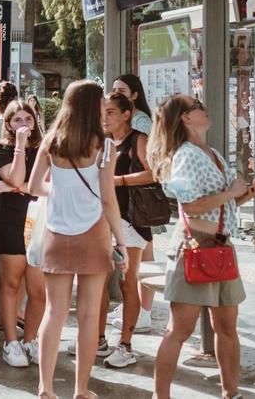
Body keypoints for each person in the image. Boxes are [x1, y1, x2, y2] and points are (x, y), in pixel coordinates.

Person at [148, 94, 255, 399]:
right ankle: (160, 396)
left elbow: (224, 200)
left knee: (227, 326)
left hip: (220, 247)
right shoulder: (186, 155)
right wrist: (230, 194)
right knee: (180, 329)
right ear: (186, 118)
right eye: (198, 105)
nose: (204, 107)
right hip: (195, 247)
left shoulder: (211, 151)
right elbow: (191, 206)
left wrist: (244, 194)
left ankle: (231, 392)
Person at [27, 80, 128, 399]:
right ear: (91, 106)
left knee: (54, 313)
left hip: (56, 234)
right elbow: (109, 199)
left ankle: (45, 387)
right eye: (101, 102)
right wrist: (121, 243)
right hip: (93, 235)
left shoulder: (52, 142)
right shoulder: (106, 146)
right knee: (87, 316)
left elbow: (33, 186)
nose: (104, 107)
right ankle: (81, 389)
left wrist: (59, 192)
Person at [97, 91, 155, 369]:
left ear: (126, 114)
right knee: (97, 281)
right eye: (103, 112)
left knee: (126, 281)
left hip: (131, 222)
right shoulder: (105, 142)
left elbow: (153, 173)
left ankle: (126, 344)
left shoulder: (137, 140)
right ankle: (97, 340)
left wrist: (117, 180)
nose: (105, 117)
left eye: (110, 112)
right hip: (104, 220)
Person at [0, 99, 43, 367]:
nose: (24, 125)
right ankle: (11, 342)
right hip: (11, 222)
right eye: (17, 120)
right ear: (7, 124)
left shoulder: (46, 149)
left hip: (39, 220)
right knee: (10, 283)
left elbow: (48, 184)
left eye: (28, 119)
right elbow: (17, 176)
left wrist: (14, 188)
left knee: (38, 289)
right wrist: (20, 147)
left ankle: (30, 339)